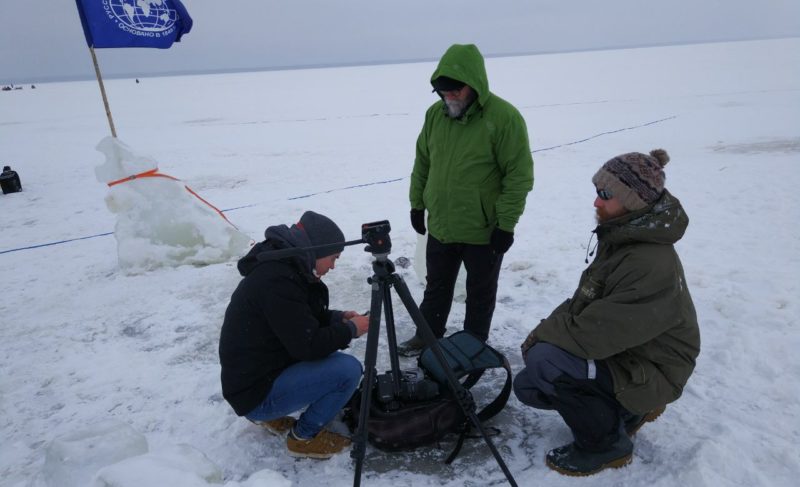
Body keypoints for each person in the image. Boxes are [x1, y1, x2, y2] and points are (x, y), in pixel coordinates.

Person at [513, 149, 701, 476]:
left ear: (633, 201)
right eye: (597, 193)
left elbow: (595, 334)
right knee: (530, 385)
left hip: (655, 368)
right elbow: (584, 303)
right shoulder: (623, 237)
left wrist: (541, 338)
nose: (596, 203)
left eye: (605, 195)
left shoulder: (647, 262)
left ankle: (606, 446)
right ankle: (626, 414)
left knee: (546, 361)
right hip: (630, 353)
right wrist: (545, 331)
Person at [399, 43, 534, 355]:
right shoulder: (435, 115)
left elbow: (519, 175)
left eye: (455, 91)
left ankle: (473, 345)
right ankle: (427, 335)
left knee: (480, 292)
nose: (449, 98)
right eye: (443, 92)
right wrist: (417, 203)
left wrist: (506, 224)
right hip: (443, 223)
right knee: (437, 286)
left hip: (483, 229)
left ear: (473, 84)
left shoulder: (504, 118)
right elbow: (422, 162)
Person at [219, 211, 369, 459]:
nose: (332, 266)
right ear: (317, 250)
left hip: (254, 379)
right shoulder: (279, 281)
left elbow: (296, 320)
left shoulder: (284, 269)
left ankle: (272, 413)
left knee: (328, 351)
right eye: (333, 258)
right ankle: (304, 438)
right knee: (347, 370)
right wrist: (351, 329)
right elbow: (308, 345)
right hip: (254, 392)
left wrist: (336, 318)